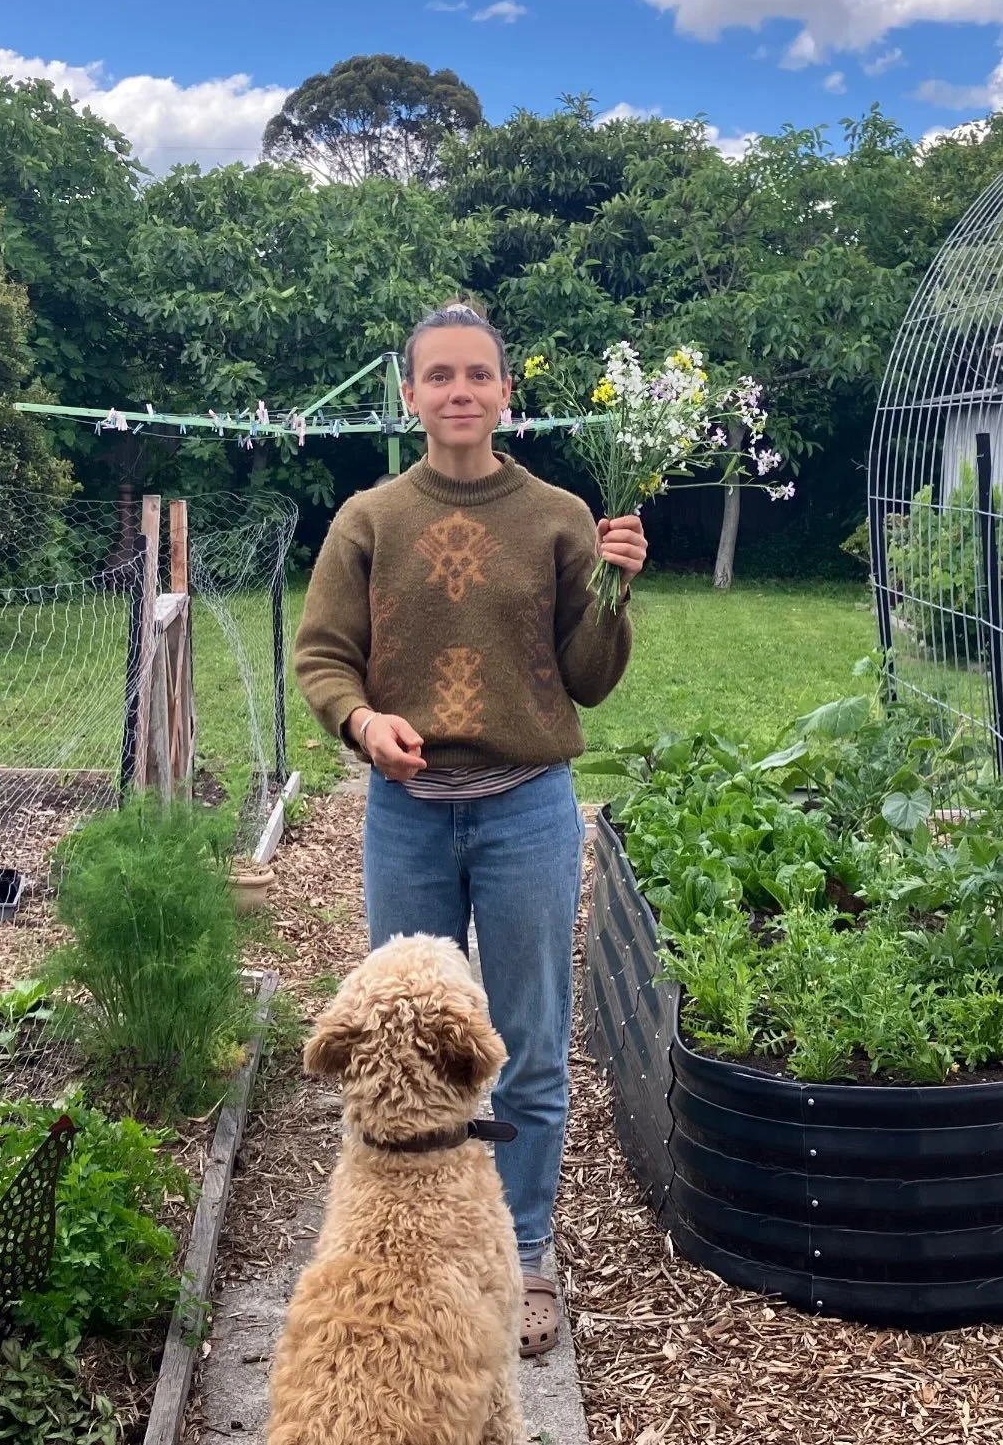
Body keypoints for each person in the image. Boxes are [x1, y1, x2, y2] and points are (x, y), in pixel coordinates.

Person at [294, 304, 646, 1357]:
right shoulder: (367, 518)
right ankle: (407, 1234)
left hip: (528, 806)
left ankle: (525, 1251)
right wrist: (360, 720)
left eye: (477, 375)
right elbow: (320, 655)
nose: (459, 391)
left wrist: (616, 590)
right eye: (437, 375)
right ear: (408, 395)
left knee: (530, 1044)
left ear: (503, 393)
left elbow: (588, 676)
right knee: (400, 1047)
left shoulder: (557, 514)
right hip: (405, 813)